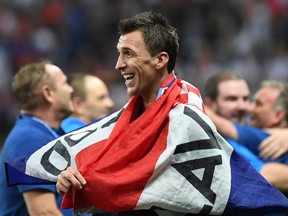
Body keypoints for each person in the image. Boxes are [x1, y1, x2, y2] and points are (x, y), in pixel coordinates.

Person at [6, 12, 288, 215]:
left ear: (159, 60)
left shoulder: (186, 116)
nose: (118, 64)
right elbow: (112, 186)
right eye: (119, 54)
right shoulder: (129, 120)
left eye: (128, 53)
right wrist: (73, 181)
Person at [0, 60, 74, 215]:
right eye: (65, 83)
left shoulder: (47, 133)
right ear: (48, 93)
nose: (71, 89)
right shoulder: (29, 139)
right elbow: (43, 212)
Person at [203, 70, 288, 190]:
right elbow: (269, 175)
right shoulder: (220, 143)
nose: (245, 107)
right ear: (210, 104)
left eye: (246, 99)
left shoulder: (252, 126)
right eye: (232, 99)